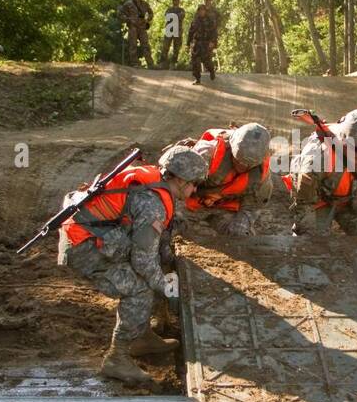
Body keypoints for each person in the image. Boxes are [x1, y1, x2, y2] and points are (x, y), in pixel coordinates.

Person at [62, 147, 207, 385]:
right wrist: (167, 289)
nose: (195, 190)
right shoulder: (153, 205)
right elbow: (142, 260)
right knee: (140, 289)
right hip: (82, 247)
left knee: (149, 277)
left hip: (93, 235)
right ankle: (117, 359)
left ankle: (140, 337)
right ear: (180, 180)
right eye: (194, 184)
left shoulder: (155, 183)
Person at [288, 109, 357, 235]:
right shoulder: (317, 157)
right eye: (355, 148)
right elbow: (304, 205)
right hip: (319, 201)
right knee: (310, 243)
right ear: (342, 141)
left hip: (351, 203)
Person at [175, 123, 273, 236]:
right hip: (190, 205)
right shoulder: (207, 154)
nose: (242, 167)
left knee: (241, 235)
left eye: (248, 165)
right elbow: (176, 186)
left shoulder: (261, 177)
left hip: (224, 210)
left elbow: (251, 207)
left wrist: (240, 226)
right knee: (169, 221)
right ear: (231, 147)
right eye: (238, 161)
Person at [118, 0, 154, 68]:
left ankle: (150, 64)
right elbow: (120, 14)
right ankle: (135, 63)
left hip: (142, 27)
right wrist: (128, 19)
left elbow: (151, 13)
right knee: (133, 45)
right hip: (133, 27)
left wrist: (147, 20)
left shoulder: (145, 4)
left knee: (146, 45)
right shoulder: (128, 4)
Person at [188, 3, 217, 84]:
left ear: (205, 11)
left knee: (206, 61)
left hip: (206, 43)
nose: (201, 12)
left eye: (203, 10)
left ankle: (211, 71)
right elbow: (190, 32)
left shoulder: (210, 21)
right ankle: (197, 78)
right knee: (195, 61)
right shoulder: (195, 21)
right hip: (197, 44)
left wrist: (212, 42)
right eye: (200, 10)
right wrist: (188, 44)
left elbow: (214, 32)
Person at [159, 0, 185, 69]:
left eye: (177, 0)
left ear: (179, 1)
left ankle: (173, 63)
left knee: (176, 48)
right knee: (165, 47)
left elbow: (182, 16)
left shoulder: (181, 10)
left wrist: (173, 16)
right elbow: (167, 17)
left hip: (178, 30)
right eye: (174, 0)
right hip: (169, 30)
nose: (176, 1)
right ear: (172, 1)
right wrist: (175, 16)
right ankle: (163, 63)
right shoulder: (169, 9)